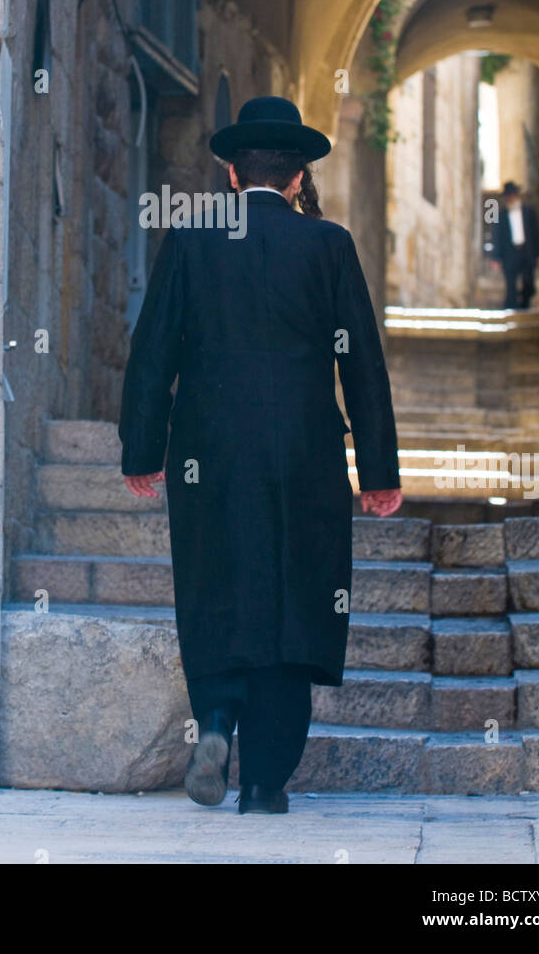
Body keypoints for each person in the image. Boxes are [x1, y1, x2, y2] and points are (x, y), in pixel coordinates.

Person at [118, 95, 402, 815]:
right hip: (304, 451)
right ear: (299, 176)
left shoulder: (189, 241)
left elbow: (152, 355)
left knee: (215, 582)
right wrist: (378, 473)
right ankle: (265, 782)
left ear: (231, 173)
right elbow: (362, 365)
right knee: (295, 594)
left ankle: (214, 720)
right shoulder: (329, 246)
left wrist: (142, 451)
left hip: (206, 452)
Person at [490, 181, 539, 309]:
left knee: (528, 282)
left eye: (512, 194)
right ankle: (512, 307)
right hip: (510, 253)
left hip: (526, 251)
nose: (510, 197)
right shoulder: (501, 215)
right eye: (508, 195)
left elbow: (536, 234)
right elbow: (497, 237)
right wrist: (496, 257)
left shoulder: (529, 212)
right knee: (510, 283)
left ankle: (525, 304)